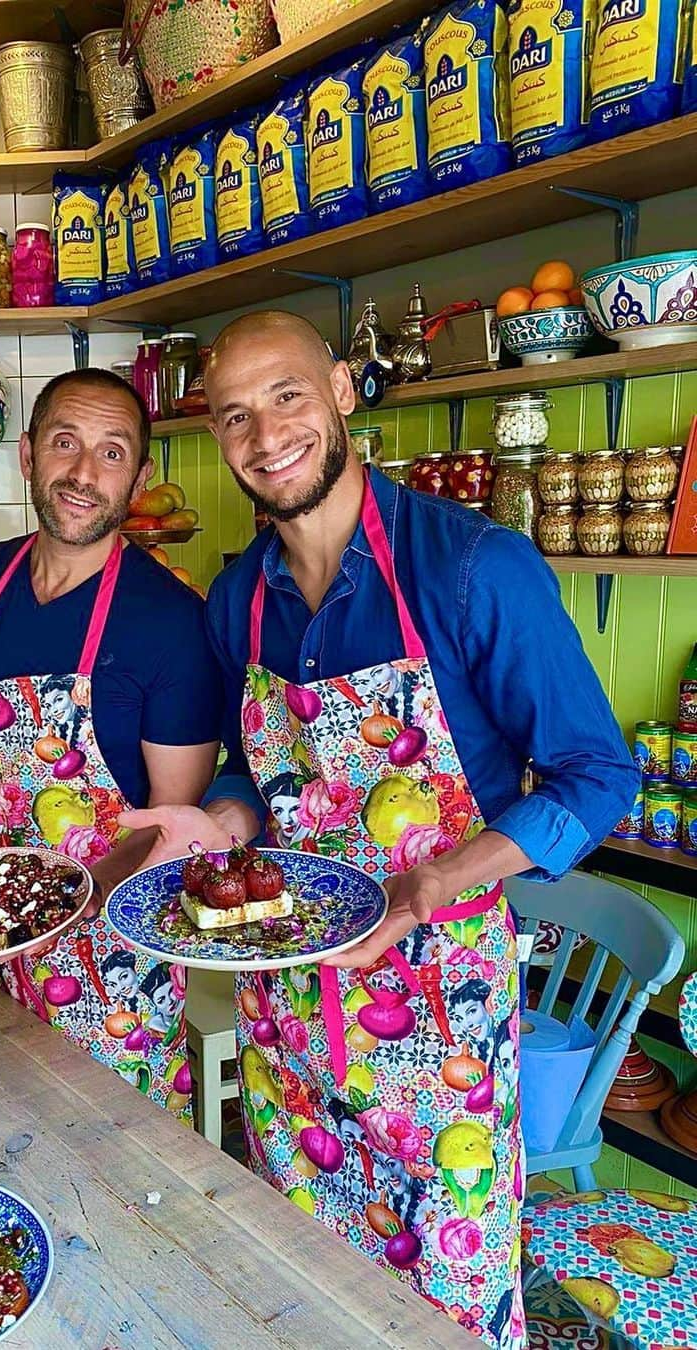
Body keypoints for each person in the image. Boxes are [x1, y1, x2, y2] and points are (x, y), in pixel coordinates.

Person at [121, 311, 637, 1347]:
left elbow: (598, 776)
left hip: (439, 1014)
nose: (265, 436)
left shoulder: (474, 569)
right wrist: (213, 821)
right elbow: (255, 776)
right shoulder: (237, 600)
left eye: (288, 396)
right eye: (234, 416)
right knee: (303, 1290)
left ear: (345, 394)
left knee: (444, 1300)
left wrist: (435, 883)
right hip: (287, 1019)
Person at [0, 367, 222, 1120]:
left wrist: (62, 908)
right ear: (30, 454)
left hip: (109, 964)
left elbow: (174, 820)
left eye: (111, 452)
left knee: (112, 1178)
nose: (83, 473)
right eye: (66, 443)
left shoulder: (171, 620)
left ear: (139, 477)